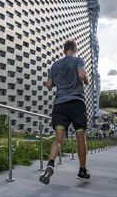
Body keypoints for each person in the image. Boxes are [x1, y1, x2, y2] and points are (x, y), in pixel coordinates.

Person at [39, 39, 90, 185]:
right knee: (81, 137)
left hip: (59, 105)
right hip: (76, 103)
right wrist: (86, 80)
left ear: (63, 50)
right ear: (75, 49)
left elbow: (49, 84)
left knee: (58, 139)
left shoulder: (55, 65)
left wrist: (58, 81)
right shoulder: (78, 60)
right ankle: (82, 170)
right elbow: (81, 75)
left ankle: (50, 164)